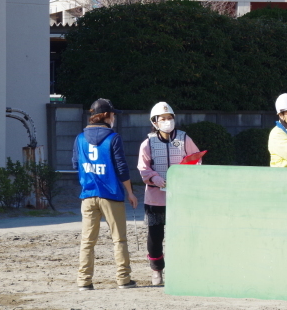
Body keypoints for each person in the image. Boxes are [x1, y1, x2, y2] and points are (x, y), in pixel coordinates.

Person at [73, 98, 137, 291]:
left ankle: (84, 281)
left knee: (87, 241)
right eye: (112, 114)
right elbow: (121, 169)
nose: (114, 117)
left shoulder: (80, 138)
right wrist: (130, 192)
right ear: (107, 115)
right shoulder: (113, 138)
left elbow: (75, 165)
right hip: (111, 195)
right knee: (119, 239)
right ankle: (123, 279)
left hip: (88, 195)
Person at [137, 102, 200, 286]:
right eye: (162, 119)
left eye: (169, 118)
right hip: (155, 198)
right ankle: (157, 271)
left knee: (181, 234)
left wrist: (186, 175)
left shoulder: (184, 138)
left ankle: (181, 268)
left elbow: (196, 158)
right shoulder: (147, 143)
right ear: (155, 122)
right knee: (155, 237)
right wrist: (154, 178)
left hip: (179, 198)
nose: (167, 121)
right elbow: (143, 168)